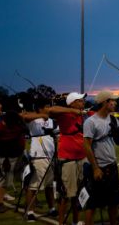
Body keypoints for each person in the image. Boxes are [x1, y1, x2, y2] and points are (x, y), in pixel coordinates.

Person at [83, 90, 119, 225]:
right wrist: (95, 168)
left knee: (113, 202)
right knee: (92, 204)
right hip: (97, 168)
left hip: (111, 166)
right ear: (104, 103)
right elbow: (86, 146)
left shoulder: (113, 119)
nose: (115, 103)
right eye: (112, 100)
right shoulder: (91, 122)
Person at [48, 92, 87, 225]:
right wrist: (72, 110)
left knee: (79, 193)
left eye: (82, 100)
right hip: (68, 158)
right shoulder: (64, 114)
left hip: (82, 157)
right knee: (66, 193)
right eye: (80, 100)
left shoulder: (83, 114)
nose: (83, 102)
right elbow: (51, 110)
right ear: (72, 103)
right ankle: (61, 222)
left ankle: (76, 221)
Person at [23, 98, 58, 221]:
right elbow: (24, 117)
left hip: (51, 155)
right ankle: (30, 212)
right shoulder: (33, 120)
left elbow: (57, 133)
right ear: (39, 108)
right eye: (46, 106)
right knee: (34, 186)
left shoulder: (52, 121)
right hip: (38, 155)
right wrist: (42, 115)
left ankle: (52, 208)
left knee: (49, 185)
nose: (49, 109)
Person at [0, 100, 28, 213]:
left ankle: (29, 200)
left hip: (17, 154)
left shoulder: (13, 125)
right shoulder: (2, 128)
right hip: (6, 157)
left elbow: (24, 128)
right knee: (3, 180)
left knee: (24, 177)